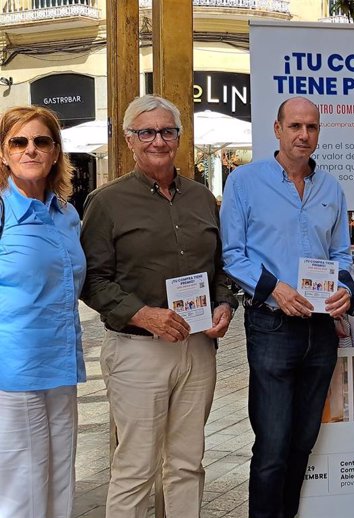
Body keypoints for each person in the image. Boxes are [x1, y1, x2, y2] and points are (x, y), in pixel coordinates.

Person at [80, 94, 237, 517]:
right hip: (138, 350)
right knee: (135, 468)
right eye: (146, 132)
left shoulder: (202, 198)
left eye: (167, 131)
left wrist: (224, 304)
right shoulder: (106, 202)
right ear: (130, 140)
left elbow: (221, 266)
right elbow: (91, 280)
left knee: (187, 463)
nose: (158, 141)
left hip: (198, 347)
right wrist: (142, 314)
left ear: (179, 138)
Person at [220, 96, 354, 518]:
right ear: (277, 129)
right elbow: (232, 254)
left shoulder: (331, 188)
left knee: (303, 440)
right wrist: (275, 290)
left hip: (320, 330)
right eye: (296, 126)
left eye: (312, 128)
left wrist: (345, 292)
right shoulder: (244, 181)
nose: (304, 135)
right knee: (272, 445)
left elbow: (342, 258)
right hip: (271, 326)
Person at [0, 106, 86, 518]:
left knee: (60, 478)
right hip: (13, 372)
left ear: (55, 153)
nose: (30, 150)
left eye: (41, 141)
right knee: (23, 486)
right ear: (3, 153)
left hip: (62, 365)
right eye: (19, 141)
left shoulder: (66, 214)